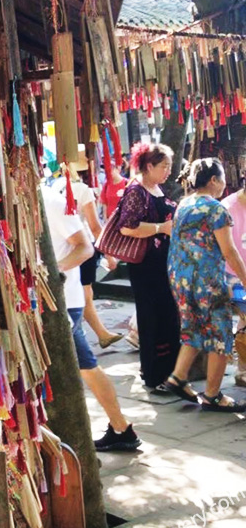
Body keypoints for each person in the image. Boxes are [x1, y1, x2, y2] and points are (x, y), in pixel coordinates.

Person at [42, 183, 141, 451]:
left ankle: (114, 429)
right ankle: (121, 427)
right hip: (55, 301)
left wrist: (51, 272)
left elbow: (86, 247)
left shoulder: (52, 201)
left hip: (61, 302)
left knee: (75, 368)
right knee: (87, 366)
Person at [166, 159, 246, 411]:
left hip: (180, 278)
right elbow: (230, 252)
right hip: (206, 281)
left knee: (194, 329)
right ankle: (212, 395)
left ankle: (178, 376)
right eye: (222, 179)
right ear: (213, 180)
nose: (224, 185)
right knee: (221, 336)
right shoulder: (216, 209)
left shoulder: (184, 204)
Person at [117, 143, 179, 390]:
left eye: (169, 166)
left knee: (166, 315)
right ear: (149, 165)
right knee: (151, 316)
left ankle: (169, 372)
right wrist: (160, 228)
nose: (168, 171)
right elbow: (126, 227)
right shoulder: (136, 191)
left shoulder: (155, 187)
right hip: (146, 265)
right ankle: (154, 374)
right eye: (164, 166)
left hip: (161, 261)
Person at [60, 164, 123, 349]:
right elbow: (95, 227)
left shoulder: (55, 186)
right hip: (83, 246)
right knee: (85, 294)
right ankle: (97, 335)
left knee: (80, 292)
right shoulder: (82, 189)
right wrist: (109, 255)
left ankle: (99, 333)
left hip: (64, 247)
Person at [222, 179, 246, 388]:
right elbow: (226, 250)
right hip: (232, 274)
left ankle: (243, 369)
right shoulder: (228, 207)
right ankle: (243, 369)